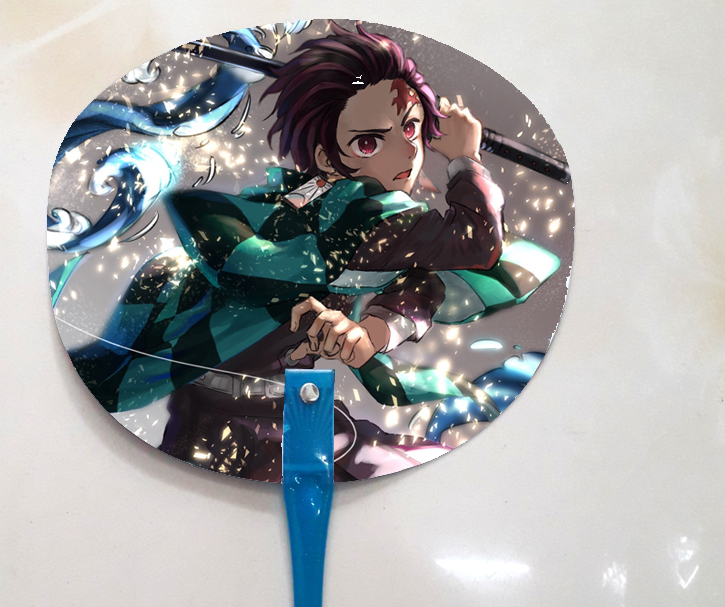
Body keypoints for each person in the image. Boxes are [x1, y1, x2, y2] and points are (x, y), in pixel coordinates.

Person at [69, 22, 508, 480]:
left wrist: (372, 333)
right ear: (326, 158)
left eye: (411, 128)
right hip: (253, 427)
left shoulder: (316, 202)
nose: (405, 154)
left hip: (237, 415)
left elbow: (412, 279)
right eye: (369, 142)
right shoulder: (370, 213)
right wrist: (465, 158)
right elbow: (479, 242)